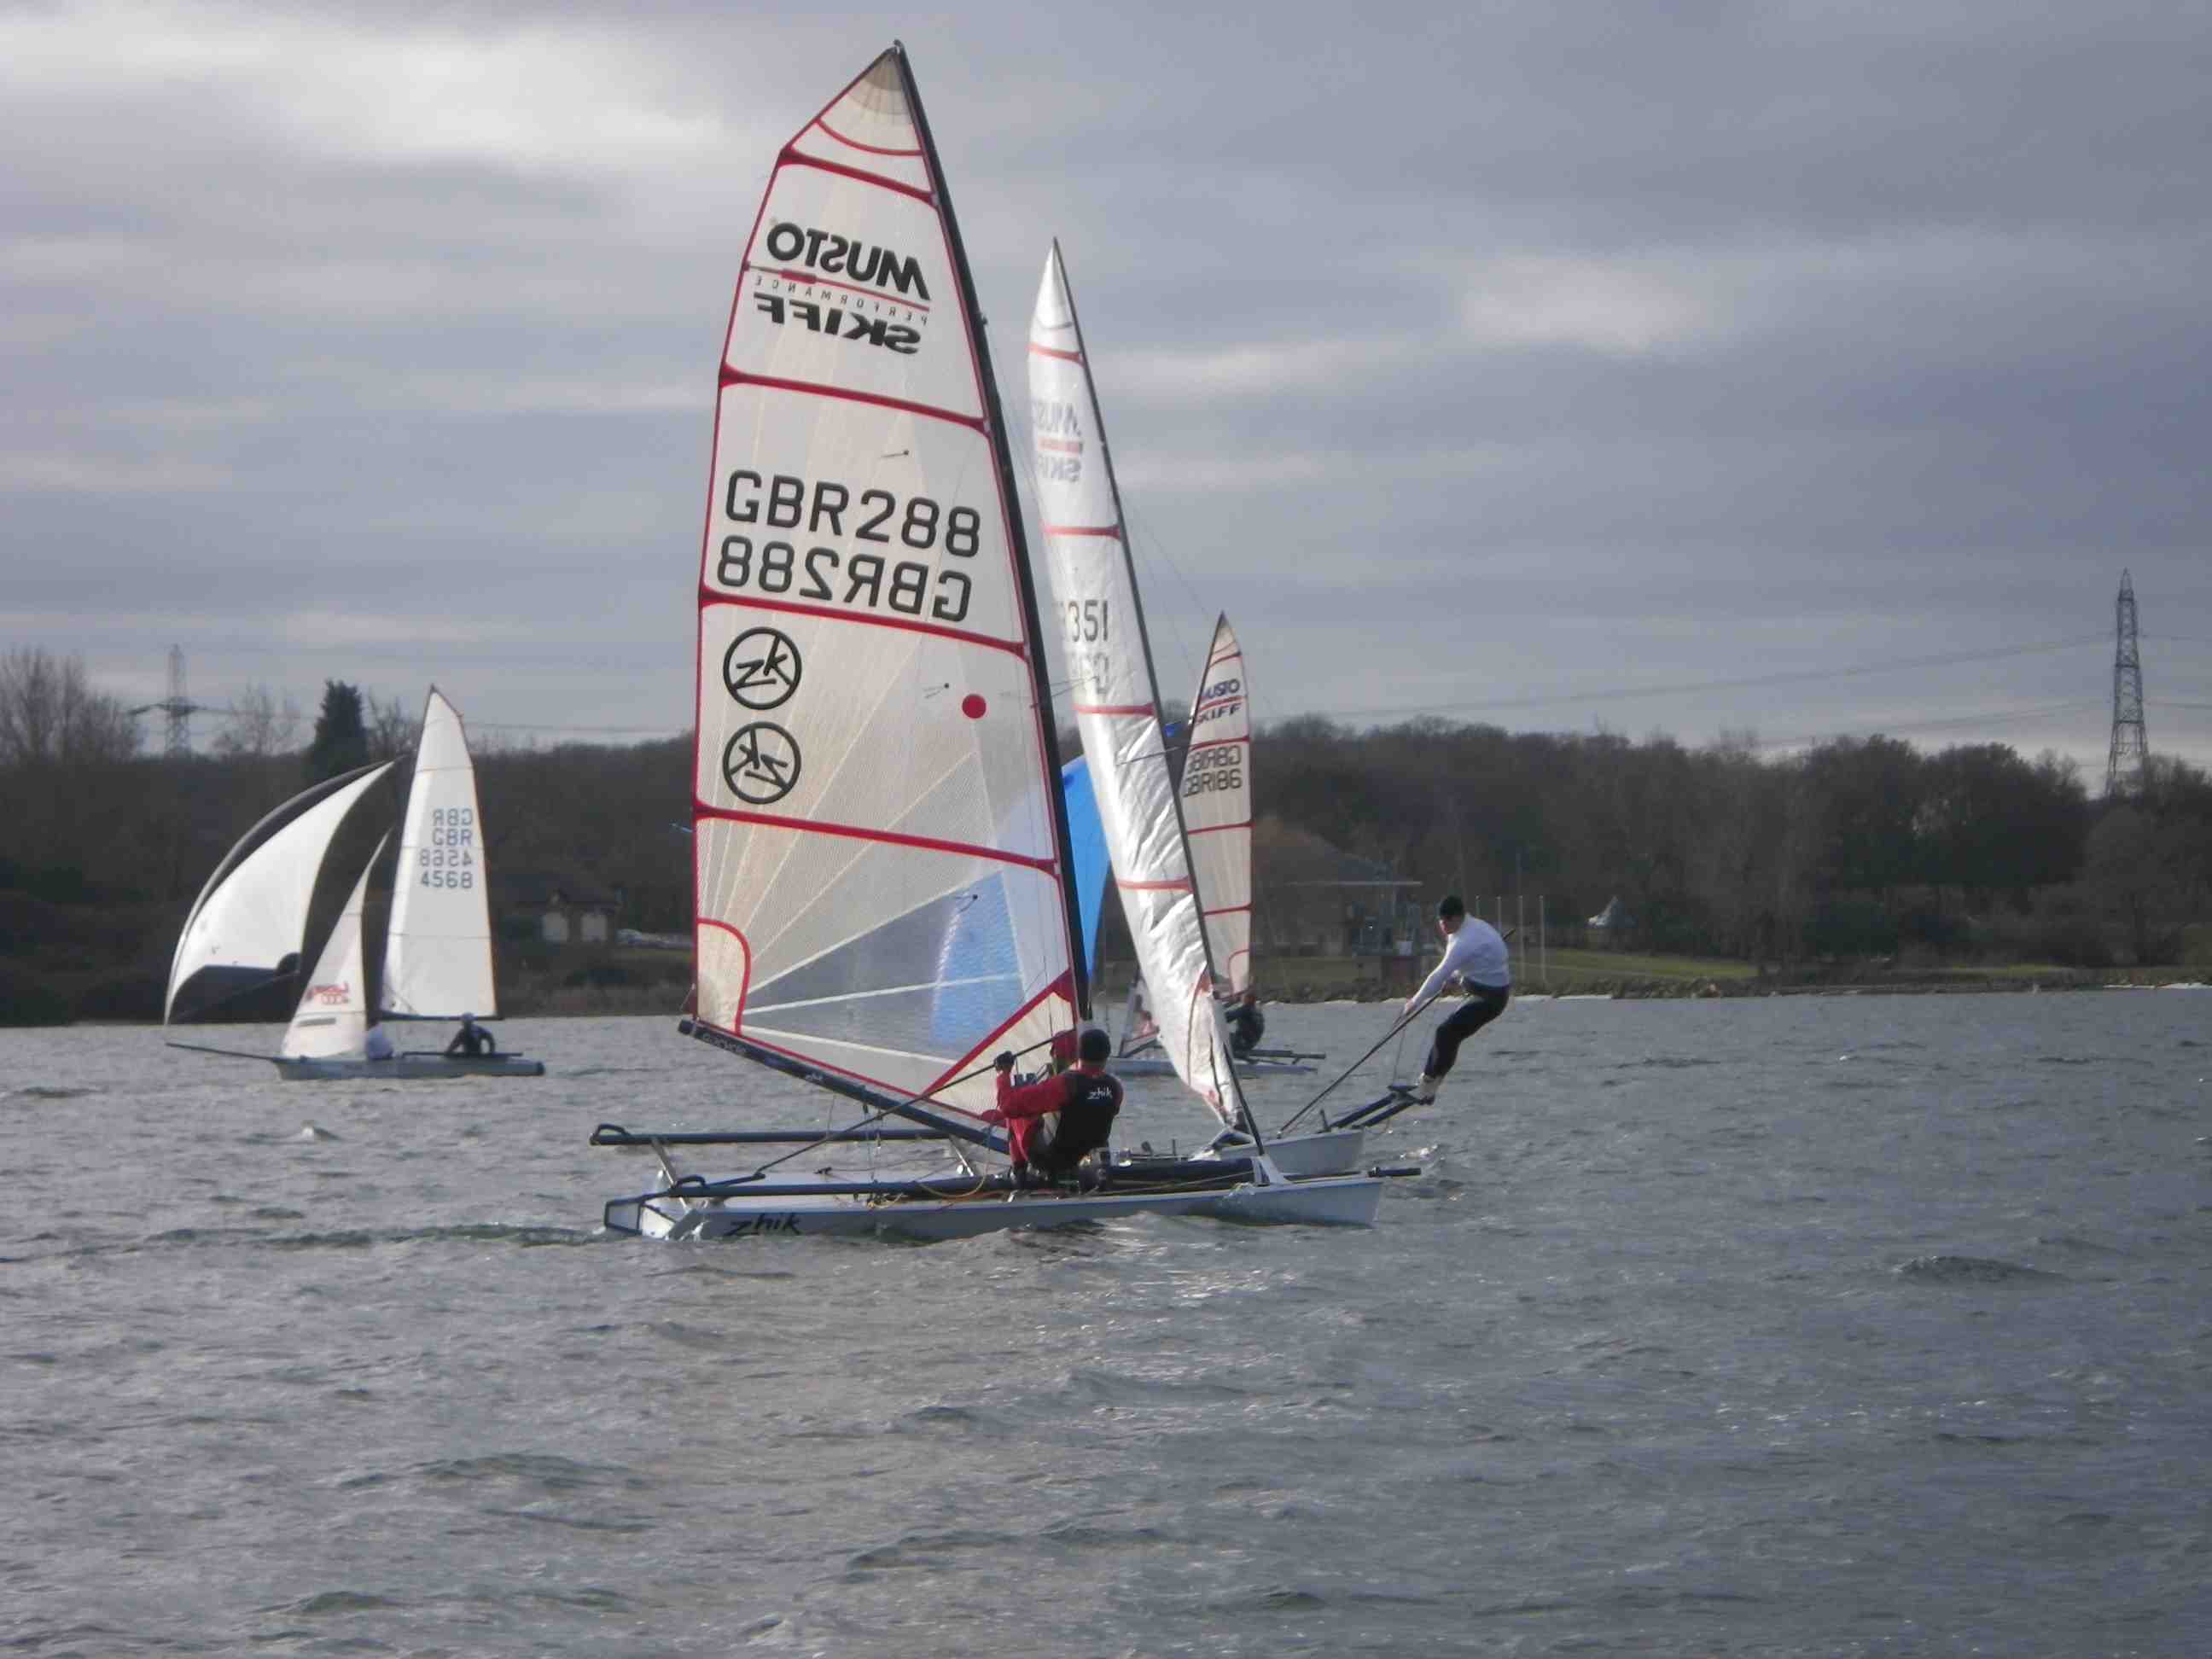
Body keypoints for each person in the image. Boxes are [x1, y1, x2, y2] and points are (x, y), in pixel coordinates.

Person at [1400, 894, 1511, 1103]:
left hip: (1491, 1000)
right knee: (1448, 1034)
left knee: (1447, 1033)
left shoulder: (1464, 939)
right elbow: (1473, 963)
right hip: (1479, 987)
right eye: (1440, 921)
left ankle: (1429, 1083)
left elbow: (1438, 974)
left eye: (1446, 921)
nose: (1442, 926)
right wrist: (1456, 978)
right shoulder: (1469, 928)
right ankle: (1430, 1083)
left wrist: (1415, 1002)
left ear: (1457, 918)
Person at [981, 1026, 1123, 1185]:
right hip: (1084, 1158)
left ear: (1079, 1052)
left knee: (1016, 1113)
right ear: (1107, 1055)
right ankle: (1098, 1171)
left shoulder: (1066, 1083)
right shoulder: (1116, 1088)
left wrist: (1003, 1074)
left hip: (1049, 1160)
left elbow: (1008, 1105)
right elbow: (1088, 1108)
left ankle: (1019, 1174)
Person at [1225, 987, 1266, 1058]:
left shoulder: (1246, 1009)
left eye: (1244, 996)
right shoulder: (1256, 1009)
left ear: (1248, 999)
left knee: (1219, 1036)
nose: (1242, 998)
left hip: (1243, 1043)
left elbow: (1227, 1018)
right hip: (1252, 1043)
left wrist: (1216, 1015)